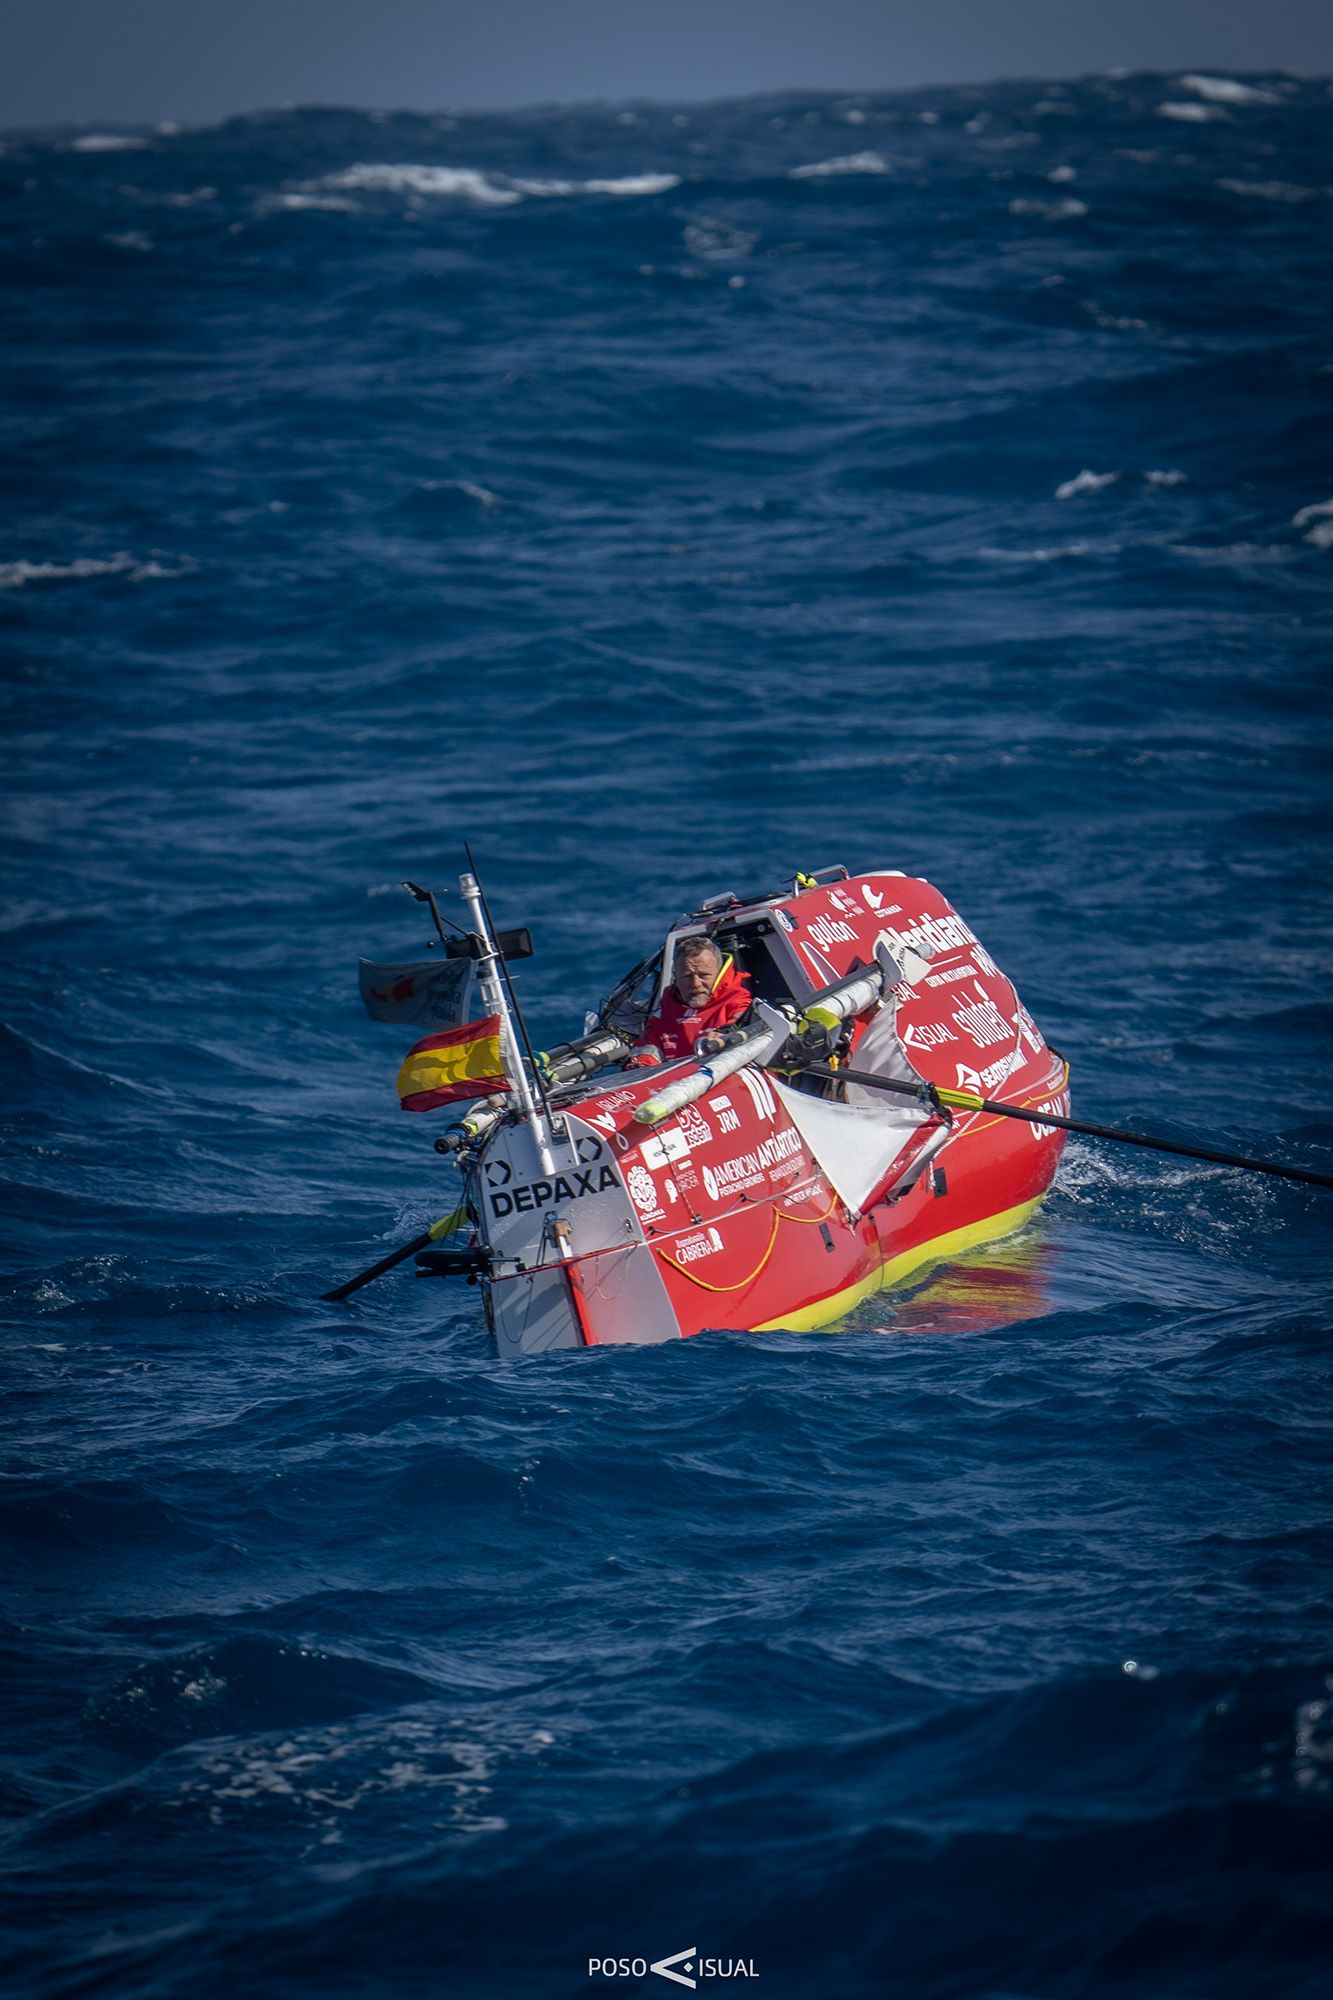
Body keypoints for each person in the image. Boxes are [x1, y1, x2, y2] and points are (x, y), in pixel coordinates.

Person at [639, 935, 752, 1061]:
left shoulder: (737, 1001)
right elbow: (646, 1050)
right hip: (677, 1077)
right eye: (687, 976)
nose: (696, 984)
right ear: (676, 977)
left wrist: (725, 1035)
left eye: (704, 975)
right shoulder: (665, 1008)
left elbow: (744, 1024)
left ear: (719, 974)